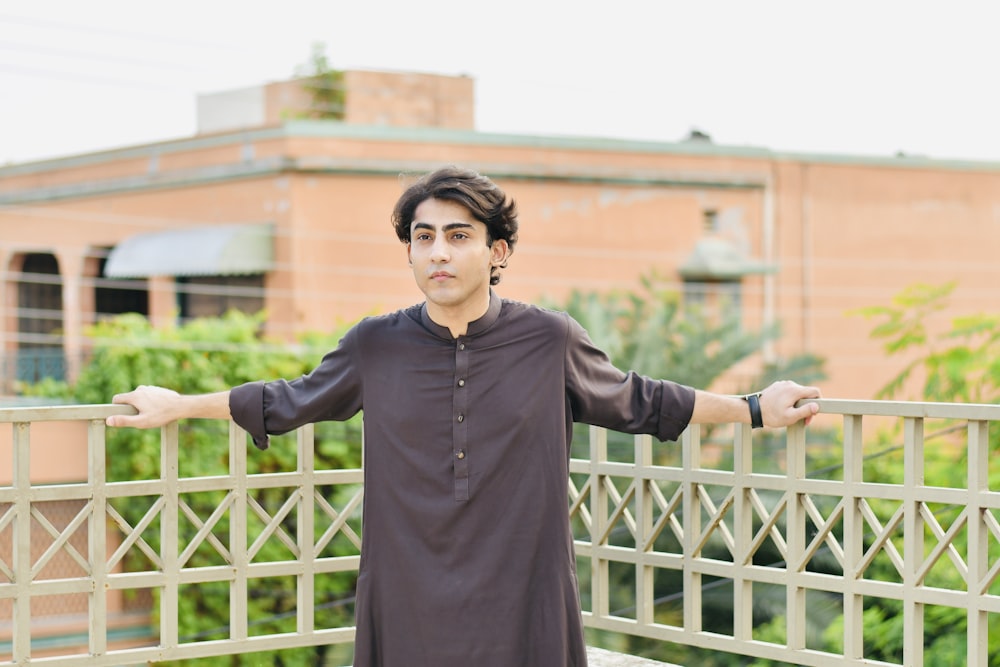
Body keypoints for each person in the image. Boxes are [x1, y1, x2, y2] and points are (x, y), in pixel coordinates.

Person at [108, 166, 821, 667]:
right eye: (423, 237)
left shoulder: (549, 339)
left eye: (458, 235)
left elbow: (642, 400)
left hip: (523, 589)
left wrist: (756, 408)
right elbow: (286, 401)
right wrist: (177, 406)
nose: (438, 252)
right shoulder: (375, 345)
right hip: (409, 590)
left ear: (496, 250)